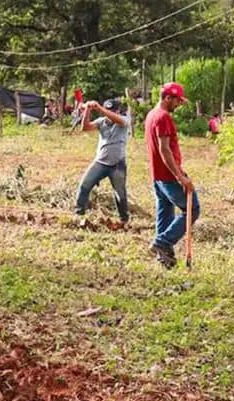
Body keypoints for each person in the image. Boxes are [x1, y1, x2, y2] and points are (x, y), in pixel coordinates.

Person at [144, 82, 199, 268]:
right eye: (176, 101)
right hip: (168, 175)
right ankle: (162, 242)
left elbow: (161, 150)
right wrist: (180, 176)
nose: (178, 105)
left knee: (165, 213)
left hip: (157, 175)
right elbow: (164, 150)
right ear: (168, 98)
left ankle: (164, 258)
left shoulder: (152, 114)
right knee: (192, 209)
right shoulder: (163, 117)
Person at [74, 99, 131, 225]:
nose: (108, 114)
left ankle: (124, 219)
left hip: (117, 164)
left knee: (120, 194)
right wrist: (87, 110)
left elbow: (117, 119)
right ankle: (79, 214)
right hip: (100, 162)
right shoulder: (102, 122)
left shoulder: (124, 120)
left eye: (112, 111)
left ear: (117, 111)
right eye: (107, 110)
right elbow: (85, 128)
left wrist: (100, 108)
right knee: (84, 186)